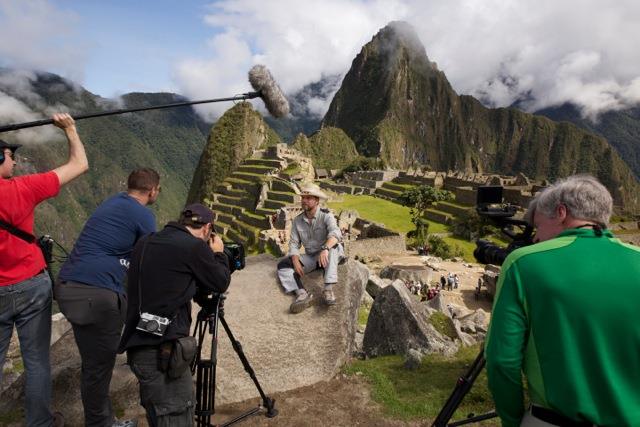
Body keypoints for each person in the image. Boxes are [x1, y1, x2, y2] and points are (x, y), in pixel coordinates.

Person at [484, 175, 640, 426]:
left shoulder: (525, 263)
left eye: (539, 227)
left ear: (561, 212)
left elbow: (502, 361)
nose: (536, 238)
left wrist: (513, 420)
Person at [0, 113, 88, 427]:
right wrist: (70, 129)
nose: (16, 162)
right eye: (11, 156)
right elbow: (79, 165)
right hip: (29, 287)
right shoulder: (22, 189)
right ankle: (39, 422)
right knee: (36, 360)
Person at [54, 168, 161, 427]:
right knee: (98, 369)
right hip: (95, 295)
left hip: (68, 287)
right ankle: (102, 424)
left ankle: (103, 419)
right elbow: (150, 263)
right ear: (153, 190)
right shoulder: (143, 216)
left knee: (95, 362)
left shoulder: (113, 202)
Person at [118, 203, 230, 427]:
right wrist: (218, 254)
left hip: (139, 348)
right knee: (175, 416)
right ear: (207, 228)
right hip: (163, 355)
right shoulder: (192, 247)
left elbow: (168, 281)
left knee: (160, 417)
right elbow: (220, 281)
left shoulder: (145, 242)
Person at [277, 182, 344, 314]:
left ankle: (328, 289)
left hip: (329, 253)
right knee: (283, 265)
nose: (304, 201)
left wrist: (325, 248)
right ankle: (302, 294)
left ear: (317, 200)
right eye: (303, 198)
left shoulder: (326, 215)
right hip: (314, 257)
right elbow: (294, 243)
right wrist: (295, 261)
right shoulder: (297, 221)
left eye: (308, 198)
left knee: (333, 247)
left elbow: (336, 234)